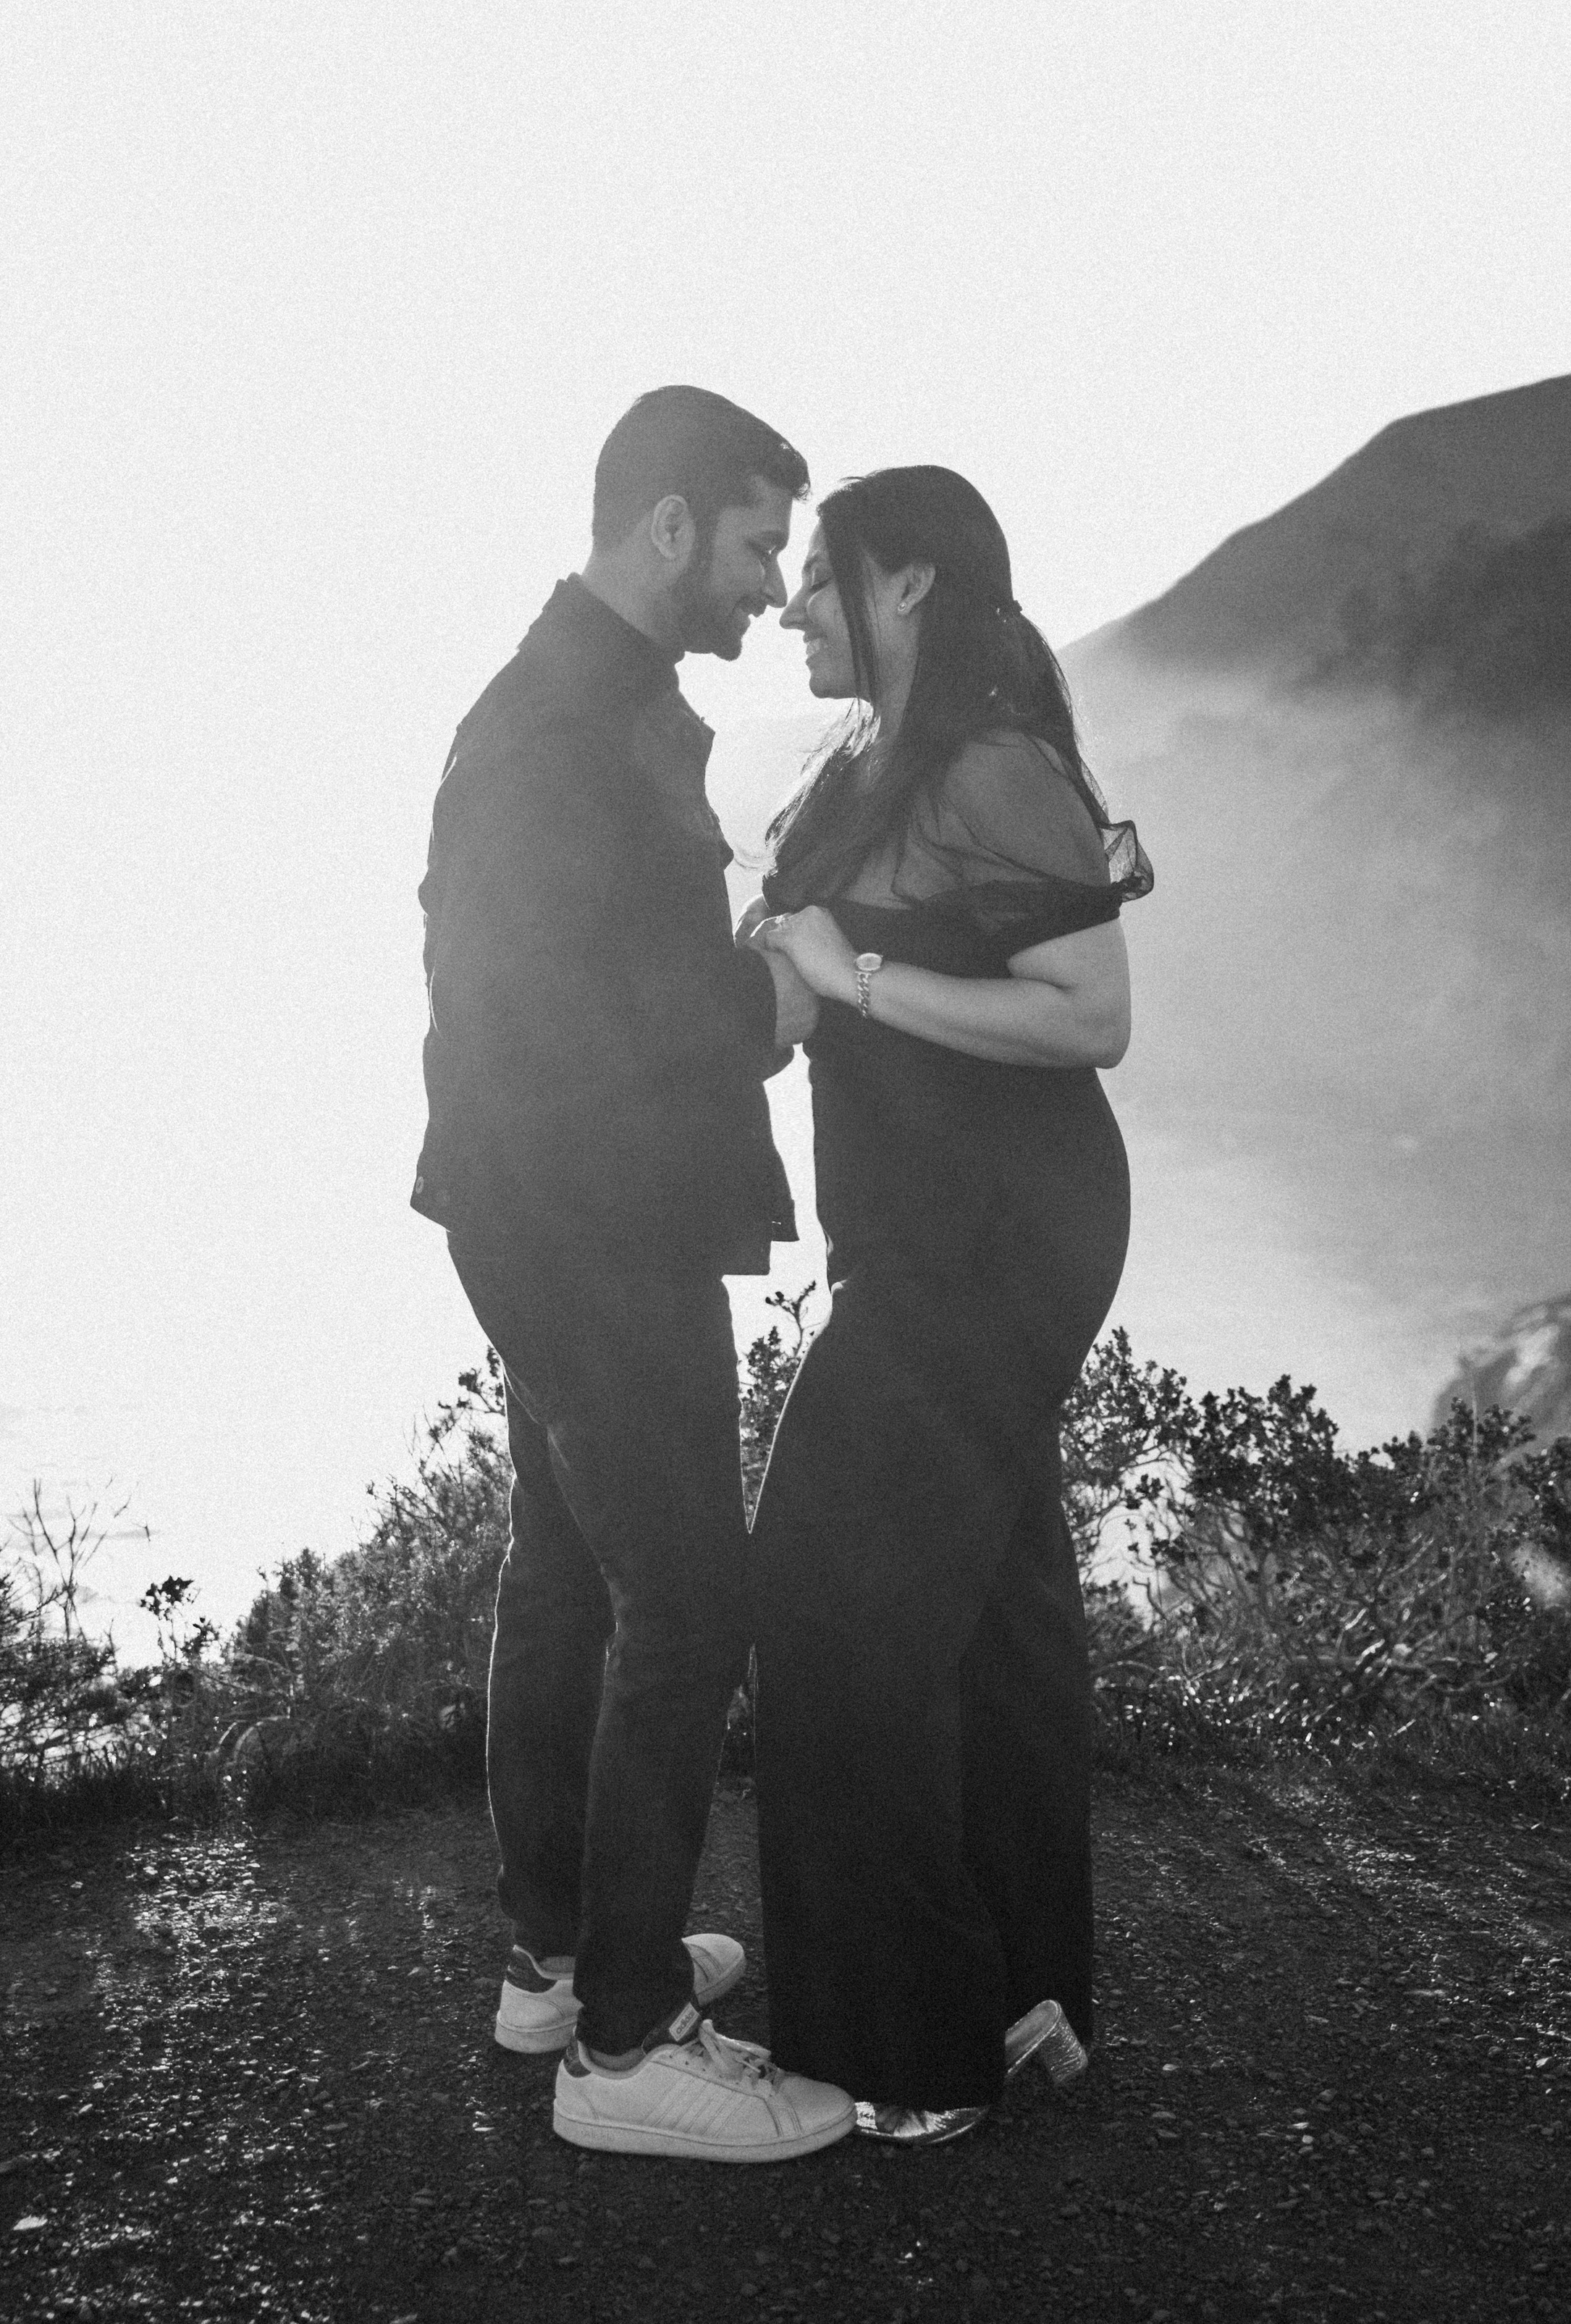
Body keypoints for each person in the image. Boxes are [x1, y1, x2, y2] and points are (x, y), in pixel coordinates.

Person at [412, 385, 854, 2162]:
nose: (767, 585)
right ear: (667, 525)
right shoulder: (559, 729)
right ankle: (621, 2047)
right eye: (752, 542)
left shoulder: (587, 699)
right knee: (686, 1600)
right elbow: (572, 1009)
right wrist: (773, 996)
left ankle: (560, 1954)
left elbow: (587, 961)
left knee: (567, 1575)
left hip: (550, 1211)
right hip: (592, 1224)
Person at [745, 463, 1152, 2144]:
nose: (790, 607)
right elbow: (795, 976)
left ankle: (911, 2051)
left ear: (906, 582)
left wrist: (854, 976)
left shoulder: (994, 762)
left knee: (826, 1607)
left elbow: (1090, 1016)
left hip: (997, 1233)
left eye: (820, 577)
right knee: (993, 1618)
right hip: (911, 1232)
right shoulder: (861, 763)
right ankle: (1019, 1995)